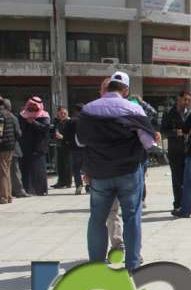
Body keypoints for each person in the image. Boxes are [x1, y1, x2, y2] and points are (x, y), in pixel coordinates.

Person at [76, 71, 158, 270]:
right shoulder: (133, 109)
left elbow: (80, 141)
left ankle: (96, 265)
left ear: (107, 87)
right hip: (128, 172)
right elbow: (149, 143)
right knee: (132, 217)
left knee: (97, 219)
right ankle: (132, 263)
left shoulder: (88, 110)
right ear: (126, 90)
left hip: (100, 174)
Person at [161, 91, 191, 211]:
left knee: (187, 179)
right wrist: (175, 132)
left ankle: (186, 203)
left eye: (189, 100)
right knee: (177, 179)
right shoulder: (169, 113)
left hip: (188, 150)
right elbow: (163, 130)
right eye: (185, 100)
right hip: (175, 151)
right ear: (178, 99)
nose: (187, 102)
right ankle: (178, 204)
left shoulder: (189, 114)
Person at [18, 96, 50, 196]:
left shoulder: (44, 115)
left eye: (34, 105)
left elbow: (45, 129)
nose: (32, 107)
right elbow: (19, 129)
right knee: (26, 170)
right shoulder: (22, 115)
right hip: (25, 147)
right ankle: (27, 189)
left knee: (38, 170)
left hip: (38, 147)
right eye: (31, 105)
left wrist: (33, 122)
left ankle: (40, 190)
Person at [63, 103, 86, 195]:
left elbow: (66, 135)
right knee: (87, 168)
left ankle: (78, 185)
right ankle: (89, 186)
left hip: (74, 148)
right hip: (87, 148)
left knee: (76, 168)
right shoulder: (87, 120)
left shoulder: (70, 121)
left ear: (75, 110)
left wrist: (66, 144)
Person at [0, 96, 19, 204]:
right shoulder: (10, 115)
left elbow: (0, 131)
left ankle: (3, 197)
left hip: (2, 147)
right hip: (10, 146)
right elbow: (17, 133)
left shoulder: (1, 115)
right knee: (6, 171)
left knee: (3, 172)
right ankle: (9, 196)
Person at [52, 107, 72, 189]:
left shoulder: (69, 122)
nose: (63, 115)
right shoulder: (58, 122)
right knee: (60, 165)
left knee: (67, 165)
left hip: (67, 146)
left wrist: (62, 137)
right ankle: (61, 181)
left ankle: (68, 182)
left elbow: (71, 135)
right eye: (61, 113)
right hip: (59, 145)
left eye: (64, 113)